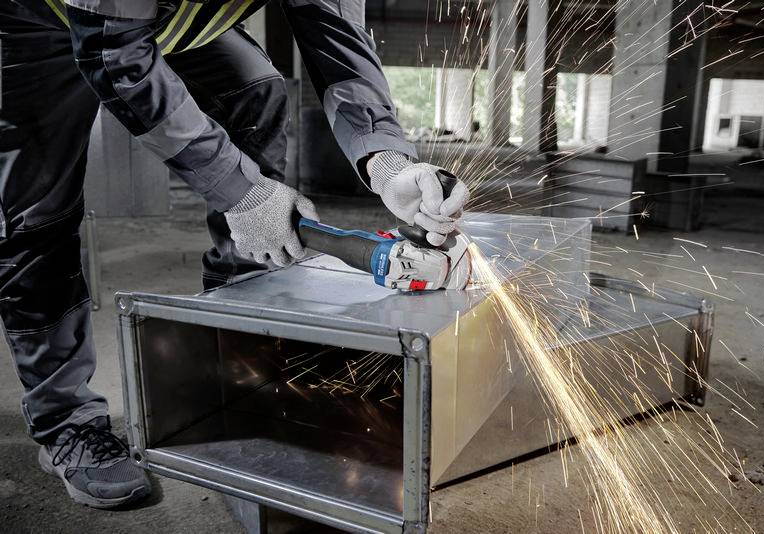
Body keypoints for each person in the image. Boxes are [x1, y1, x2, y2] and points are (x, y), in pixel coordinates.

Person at [0, 0, 469, 509]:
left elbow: (336, 37)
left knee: (254, 89)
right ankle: (66, 422)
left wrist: (386, 160)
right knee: (35, 216)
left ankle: (238, 359)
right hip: (44, 23)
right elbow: (115, 58)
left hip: (164, 21)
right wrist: (241, 191)